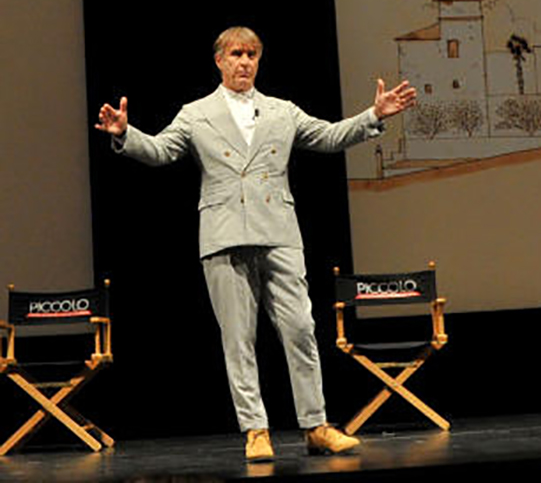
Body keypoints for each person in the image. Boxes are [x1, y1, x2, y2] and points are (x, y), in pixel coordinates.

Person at [94, 26, 417, 462]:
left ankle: (316, 425)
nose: (244, 61)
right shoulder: (196, 113)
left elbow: (327, 136)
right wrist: (124, 134)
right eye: (235, 54)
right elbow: (162, 151)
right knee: (239, 339)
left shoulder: (281, 111)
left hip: (279, 232)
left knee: (301, 329)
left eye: (251, 54)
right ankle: (256, 431)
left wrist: (373, 115)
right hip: (224, 235)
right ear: (219, 60)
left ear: (258, 60)